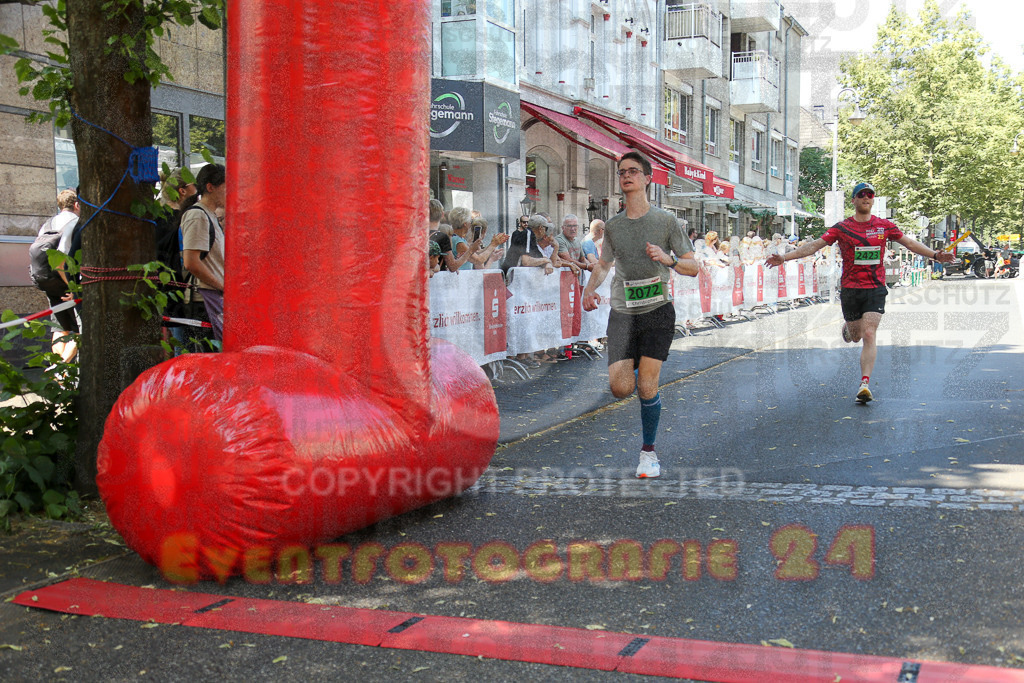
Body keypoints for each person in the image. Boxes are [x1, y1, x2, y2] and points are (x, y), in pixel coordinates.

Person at [766, 181, 953, 404]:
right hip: (851, 289)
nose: (866, 198)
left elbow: (910, 244)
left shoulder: (884, 226)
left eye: (870, 195)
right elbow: (815, 245)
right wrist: (784, 257)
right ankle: (849, 329)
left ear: (873, 200)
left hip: (875, 288)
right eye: (861, 194)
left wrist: (935, 255)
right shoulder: (842, 228)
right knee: (856, 336)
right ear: (853, 200)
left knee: (869, 333)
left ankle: (864, 384)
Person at [582, 151, 698, 478]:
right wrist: (588, 290)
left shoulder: (666, 221)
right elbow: (604, 264)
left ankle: (648, 453)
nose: (626, 176)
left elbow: (693, 267)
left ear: (648, 178)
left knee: (647, 386)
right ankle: (635, 365)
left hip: (657, 310)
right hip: (623, 312)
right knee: (620, 388)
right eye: (622, 172)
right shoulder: (613, 227)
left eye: (633, 171)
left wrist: (668, 259)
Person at [29, 189, 80, 362]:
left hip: (48, 281)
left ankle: (58, 371)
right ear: (76, 205)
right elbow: (61, 260)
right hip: (66, 281)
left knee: (60, 328)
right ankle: (61, 369)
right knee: (81, 329)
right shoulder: (75, 222)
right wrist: (73, 287)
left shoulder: (48, 224)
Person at [181, 163, 227, 343]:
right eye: (226, 187)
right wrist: (222, 286)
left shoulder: (211, 215)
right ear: (210, 187)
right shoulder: (198, 215)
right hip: (203, 299)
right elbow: (191, 262)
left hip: (212, 296)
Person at [429, 200, 475, 272]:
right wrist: (470, 251)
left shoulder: (419, 236)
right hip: (438, 277)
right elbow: (452, 266)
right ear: (442, 215)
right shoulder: (443, 237)